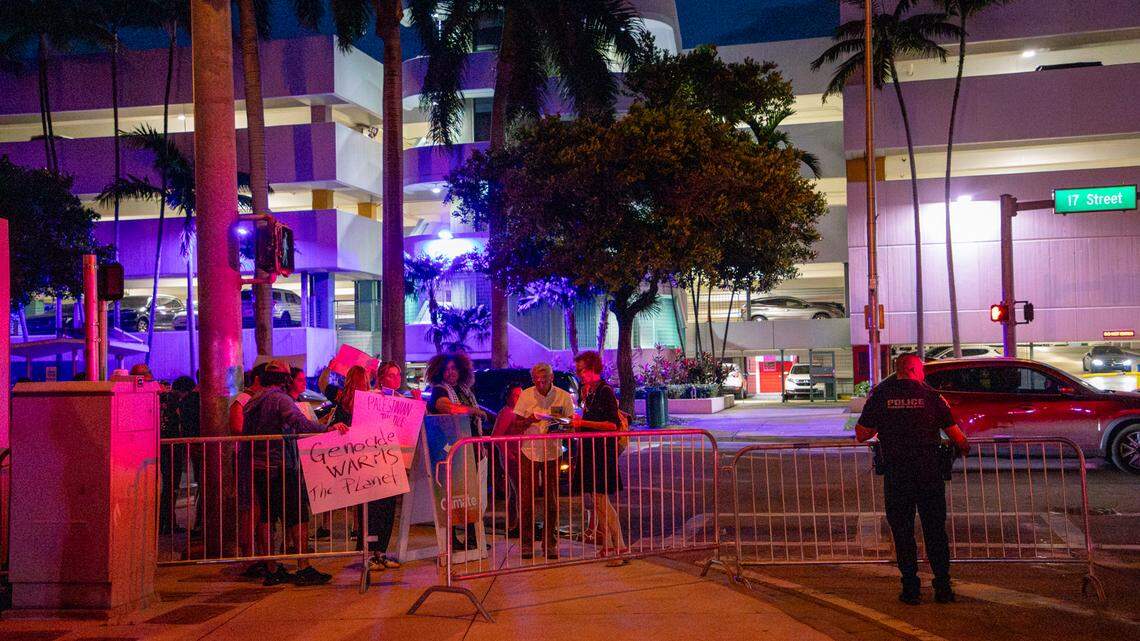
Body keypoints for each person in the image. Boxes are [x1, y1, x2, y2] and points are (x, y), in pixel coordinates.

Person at [855, 353, 970, 605]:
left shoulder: (882, 396)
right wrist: (960, 447)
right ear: (915, 370)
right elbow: (958, 438)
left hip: (897, 475)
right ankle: (942, 587)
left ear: (898, 370)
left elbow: (862, 433)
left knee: (903, 532)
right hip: (929, 474)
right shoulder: (932, 397)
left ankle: (910, 588)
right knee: (935, 531)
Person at [244, 360, 349, 586]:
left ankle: (271, 568)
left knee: (267, 517)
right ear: (285, 379)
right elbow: (300, 423)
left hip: (259, 465)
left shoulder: (254, 400)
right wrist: (327, 429)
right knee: (297, 515)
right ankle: (304, 567)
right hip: (281, 465)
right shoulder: (280, 399)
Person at [569, 351, 628, 567]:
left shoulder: (604, 391)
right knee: (598, 501)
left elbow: (611, 424)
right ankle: (610, 545)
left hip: (601, 453)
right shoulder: (590, 392)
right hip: (591, 451)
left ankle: (617, 546)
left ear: (593, 368)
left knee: (602, 501)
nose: (579, 374)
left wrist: (583, 424)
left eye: (581, 370)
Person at [425, 352, 488, 549]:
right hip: (452, 450)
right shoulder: (439, 390)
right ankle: (452, 541)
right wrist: (473, 411)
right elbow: (446, 408)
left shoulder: (464, 390)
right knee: (452, 495)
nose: (451, 372)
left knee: (472, 494)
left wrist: (482, 444)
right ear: (439, 371)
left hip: (472, 447)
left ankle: (473, 538)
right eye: (447, 369)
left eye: (454, 368)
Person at [513, 363, 574, 559]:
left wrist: (560, 424)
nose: (541, 383)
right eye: (538, 380)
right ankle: (526, 543)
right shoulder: (526, 395)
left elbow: (571, 422)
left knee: (552, 500)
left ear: (551, 378)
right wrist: (530, 419)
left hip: (553, 451)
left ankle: (550, 543)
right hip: (529, 451)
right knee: (526, 499)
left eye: (545, 379)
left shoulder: (562, 396)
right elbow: (516, 424)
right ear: (533, 380)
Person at [232, 363, 267, 574]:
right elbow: (236, 427)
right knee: (250, 508)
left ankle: (262, 554)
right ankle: (248, 556)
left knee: (262, 509)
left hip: (262, 459)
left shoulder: (261, 399)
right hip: (248, 459)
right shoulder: (243, 399)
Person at [491, 382, 525, 534]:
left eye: (520, 395)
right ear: (509, 397)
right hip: (512, 457)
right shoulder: (507, 413)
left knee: (514, 491)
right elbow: (496, 436)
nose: (519, 398)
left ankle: (513, 523)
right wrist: (507, 454)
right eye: (516, 395)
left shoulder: (517, 412)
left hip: (517, 455)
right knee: (520, 491)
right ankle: (519, 524)